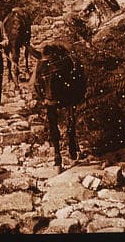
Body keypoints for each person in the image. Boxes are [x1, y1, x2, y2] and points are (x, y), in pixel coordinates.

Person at [28, 43, 86, 171]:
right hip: (49, 90)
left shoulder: (65, 67)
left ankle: (72, 140)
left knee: (71, 112)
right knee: (51, 119)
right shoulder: (44, 66)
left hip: (62, 88)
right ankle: (57, 154)